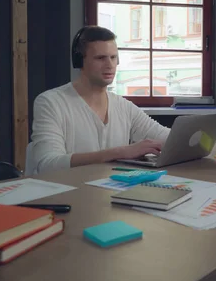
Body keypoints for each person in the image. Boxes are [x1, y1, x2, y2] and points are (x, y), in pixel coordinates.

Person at [27, 26, 170, 174]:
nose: (110, 65)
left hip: (109, 191)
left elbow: (168, 138)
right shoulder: (50, 102)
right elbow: (48, 164)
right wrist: (120, 152)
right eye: (100, 58)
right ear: (79, 61)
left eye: (113, 57)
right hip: (65, 191)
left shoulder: (123, 106)